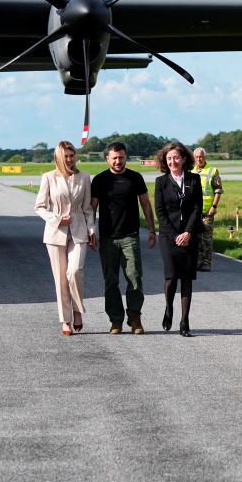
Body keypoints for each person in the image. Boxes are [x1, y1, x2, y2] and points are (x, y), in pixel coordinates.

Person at [91, 142, 157, 335]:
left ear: (126, 157)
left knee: (134, 278)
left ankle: (135, 318)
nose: (118, 161)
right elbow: (91, 208)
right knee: (111, 281)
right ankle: (116, 320)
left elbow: (145, 204)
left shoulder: (135, 178)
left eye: (121, 157)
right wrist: (90, 231)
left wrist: (152, 230)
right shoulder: (100, 180)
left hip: (130, 237)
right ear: (107, 159)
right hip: (108, 238)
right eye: (114, 158)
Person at [35, 141, 97, 336]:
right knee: (61, 279)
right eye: (66, 156)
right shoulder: (48, 178)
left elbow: (88, 209)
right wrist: (57, 219)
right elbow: (40, 206)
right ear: (58, 158)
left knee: (75, 271)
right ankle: (66, 319)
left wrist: (92, 229)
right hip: (55, 234)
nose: (70, 160)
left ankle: (78, 310)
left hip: (79, 231)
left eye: (72, 155)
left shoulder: (85, 178)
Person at [154, 141, 204, 338]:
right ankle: (168, 308)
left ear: (184, 159)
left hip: (189, 236)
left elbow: (196, 208)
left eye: (176, 157)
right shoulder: (161, 182)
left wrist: (188, 233)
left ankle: (185, 322)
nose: (173, 161)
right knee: (171, 277)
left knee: (187, 279)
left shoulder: (194, 180)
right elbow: (160, 212)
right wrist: (175, 235)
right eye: (169, 158)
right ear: (165, 161)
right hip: (169, 237)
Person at [191, 147, 223, 272]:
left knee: (206, 238)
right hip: (194, 212)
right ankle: (197, 261)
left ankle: (206, 262)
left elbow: (218, 190)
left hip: (207, 212)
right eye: (197, 157)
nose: (199, 159)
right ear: (194, 158)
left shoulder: (212, 171)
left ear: (205, 157)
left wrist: (214, 207)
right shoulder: (191, 171)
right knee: (196, 238)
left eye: (201, 156)